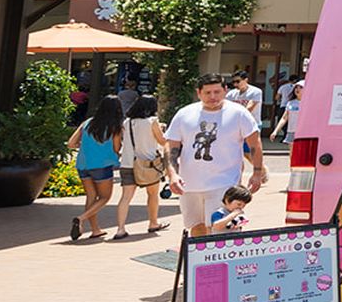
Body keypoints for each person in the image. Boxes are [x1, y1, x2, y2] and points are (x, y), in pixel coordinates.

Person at [164, 73, 267, 238]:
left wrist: (257, 173)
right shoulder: (184, 114)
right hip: (190, 184)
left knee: (221, 230)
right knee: (196, 227)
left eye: (217, 92)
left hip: (225, 183)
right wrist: (172, 175)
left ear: (225, 90)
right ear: (199, 93)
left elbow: (255, 143)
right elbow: (171, 146)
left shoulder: (239, 113)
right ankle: (200, 255)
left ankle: (222, 256)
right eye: (207, 92)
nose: (212, 97)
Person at [67, 93, 123, 240]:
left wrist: (85, 146)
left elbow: (71, 143)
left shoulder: (87, 123)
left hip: (83, 164)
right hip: (102, 165)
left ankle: (95, 230)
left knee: (91, 196)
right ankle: (81, 218)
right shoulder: (115, 127)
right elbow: (116, 148)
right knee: (105, 197)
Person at [111, 95, 168, 240]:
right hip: (148, 164)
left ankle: (120, 229)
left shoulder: (127, 122)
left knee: (125, 197)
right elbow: (162, 141)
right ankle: (153, 223)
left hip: (128, 163)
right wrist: (163, 130)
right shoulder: (152, 121)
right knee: (152, 194)